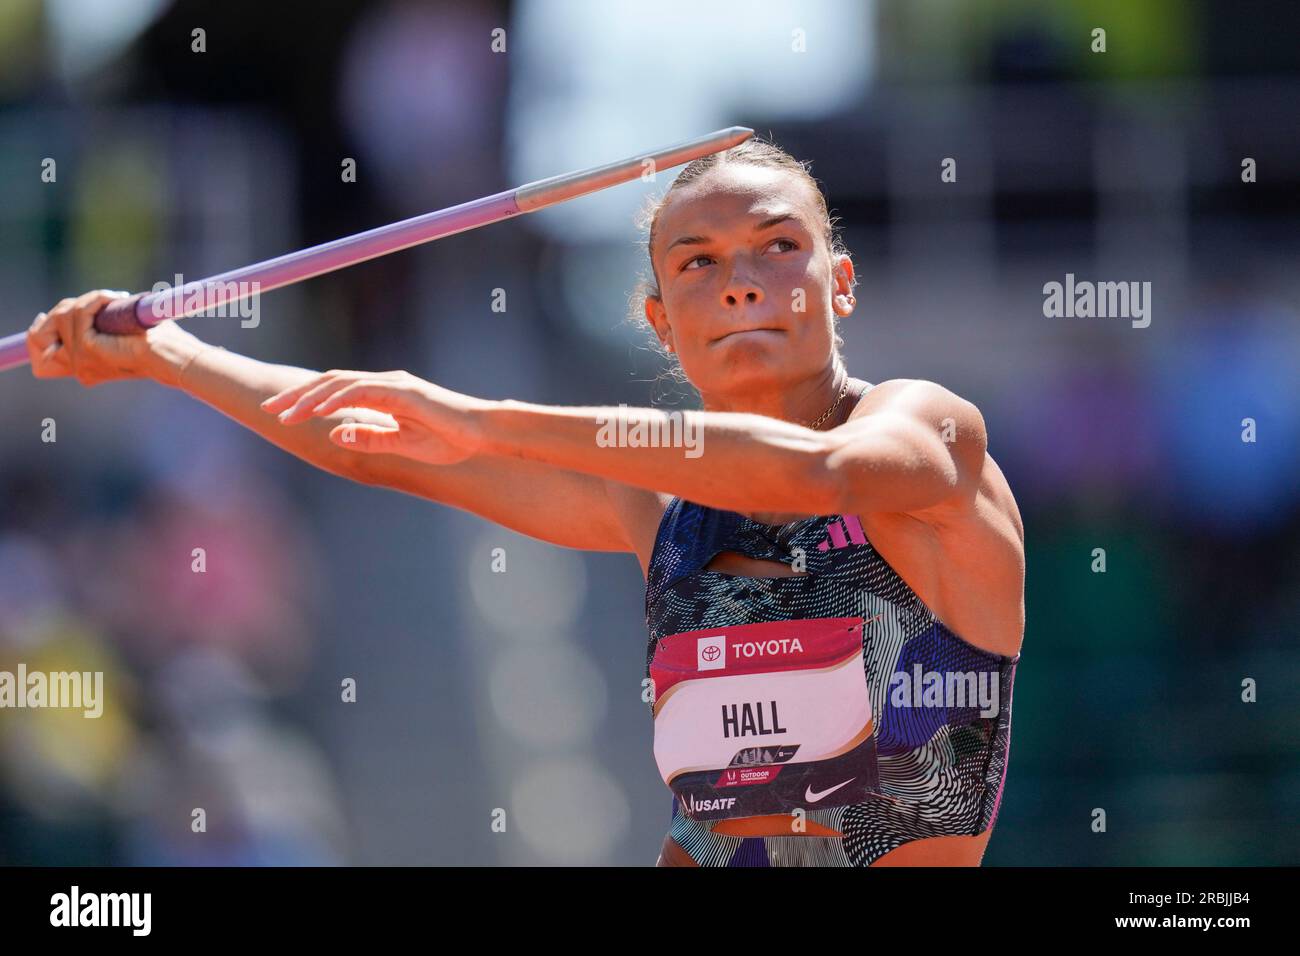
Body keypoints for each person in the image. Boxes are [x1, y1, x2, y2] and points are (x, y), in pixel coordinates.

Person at [27, 137, 1024, 867]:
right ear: (658, 321)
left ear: (839, 282)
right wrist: (167, 355)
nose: (739, 282)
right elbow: (369, 446)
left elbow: (818, 475)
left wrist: (482, 416)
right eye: (697, 261)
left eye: (776, 245)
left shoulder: (929, 436)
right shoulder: (661, 508)